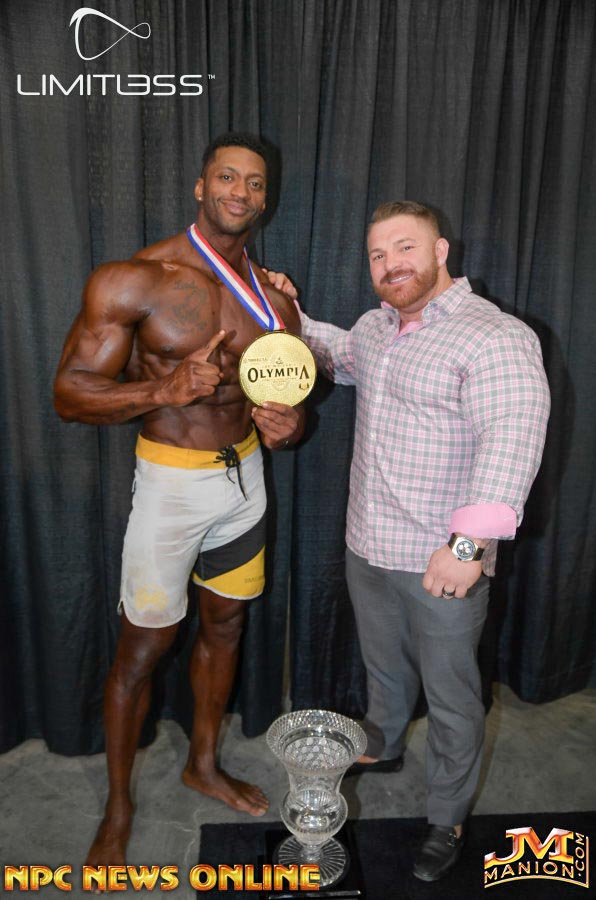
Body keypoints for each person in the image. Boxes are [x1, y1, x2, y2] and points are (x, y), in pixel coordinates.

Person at [270, 201, 550, 882]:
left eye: (405, 247)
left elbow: (513, 437)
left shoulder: (493, 335)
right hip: (368, 544)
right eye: (377, 254)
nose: (390, 264)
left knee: (452, 698)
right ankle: (387, 741)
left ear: (441, 250)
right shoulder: (377, 328)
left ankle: (446, 816)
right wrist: (286, 312)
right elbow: (335, 353)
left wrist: (467, 548)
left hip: (441, 562)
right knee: (384, 668)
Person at [54, 133, 303, 867]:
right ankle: (118, 805)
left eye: (254, 183)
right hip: (170, 484)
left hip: (244, 481)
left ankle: (202, 764)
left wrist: (288, 427)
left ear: (265, 198)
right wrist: (163, 388)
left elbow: (282, 402)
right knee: (143, 647)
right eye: (226, 177)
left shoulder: (276, 300)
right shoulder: (134, 280)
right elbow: (69, 394)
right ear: (200, 186)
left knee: (226, 625)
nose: (239, 192)